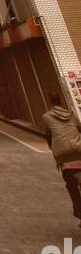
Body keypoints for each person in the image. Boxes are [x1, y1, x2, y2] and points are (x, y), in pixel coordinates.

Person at [43, 91, 81, 225]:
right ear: (61, 101)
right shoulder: (71, 114)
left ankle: (79, 213)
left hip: (64, 156)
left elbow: (48, 136)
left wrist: (54, 150)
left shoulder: (47, 117)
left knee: (71, 185)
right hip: (79, 151)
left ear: (49, 102)